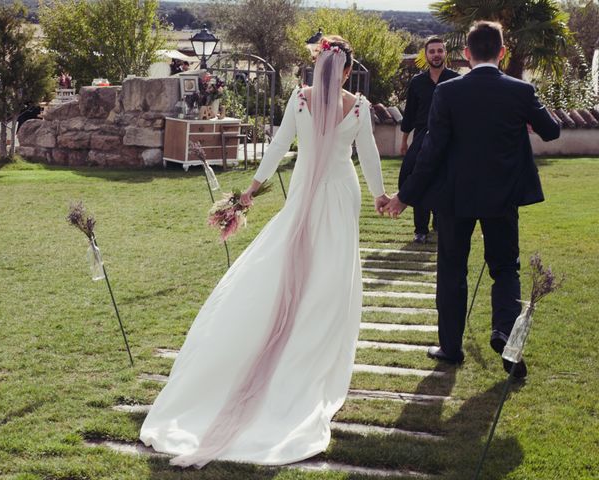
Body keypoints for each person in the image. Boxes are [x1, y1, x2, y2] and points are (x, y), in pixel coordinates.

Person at [140, 36, 390, 467]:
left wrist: (250, 191)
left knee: (288, 268)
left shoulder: (298, 101)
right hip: (340, 194)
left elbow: (278, 148)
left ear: (317, 67)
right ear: (348, 71)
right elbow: (366, 154)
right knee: (331, 277)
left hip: (305, 198)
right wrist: (382, 195)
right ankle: (312, 353)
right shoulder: (360, 107)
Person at [385, 22, 560, 378]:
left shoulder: (447, 93)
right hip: (502, 197)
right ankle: (504, 332)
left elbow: (431, 151)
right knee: (505, 268)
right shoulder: (521, 91)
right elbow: (552, 130)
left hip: (453, 198)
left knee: (452, 270)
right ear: (502, 52)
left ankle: (450, 348)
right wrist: (524, 118)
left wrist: (405, 195)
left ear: (465, 54)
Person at [399, 37, 460, 244]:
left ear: (445, 54)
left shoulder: (455, 80)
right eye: (432, 51)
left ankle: (440, 223)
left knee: (444, 181)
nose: (436, 54)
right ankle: (420, 229)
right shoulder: (417, 82)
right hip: (421, 139)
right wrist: (404, 141)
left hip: (448, 140)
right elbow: (409, 115)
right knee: (420, 180)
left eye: (440, 51)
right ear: (426, 55)